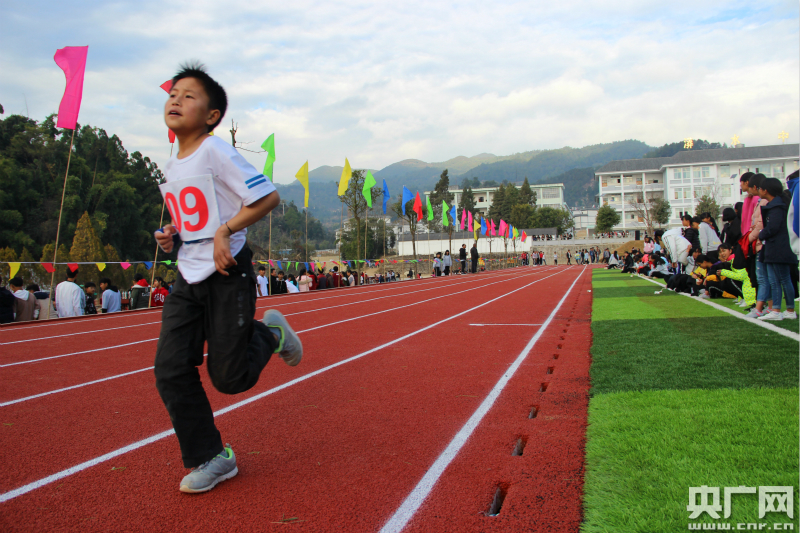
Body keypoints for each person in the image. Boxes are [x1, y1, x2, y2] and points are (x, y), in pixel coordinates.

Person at [153, 63, 302, 495]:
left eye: (189, 96)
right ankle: (211, 456)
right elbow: (200, 216)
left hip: (226, 272)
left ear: (213, 115)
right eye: (173, 93)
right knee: (169, 368)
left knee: (230, 379)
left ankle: (270, 332)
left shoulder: (216, 151)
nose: (176, 100)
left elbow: (267, 196)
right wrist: (174, 236)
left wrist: (226, 231)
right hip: (188, 275)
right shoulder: (172, 163)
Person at [756, 177, 797, 320]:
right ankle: (783, 310)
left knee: (780, 279)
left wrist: (761, 234)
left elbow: (773, 227)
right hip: (777, 247)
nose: (759, 191)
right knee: (780, 279)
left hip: (778, 248)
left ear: (765, 190)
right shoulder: (779, 204)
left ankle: (781, 310)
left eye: (760, 188)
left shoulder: (777, 207)